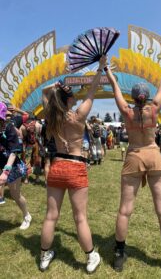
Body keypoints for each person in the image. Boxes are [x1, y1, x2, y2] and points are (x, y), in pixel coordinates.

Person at [104, 44, 161, 273]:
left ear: (133, 97)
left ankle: (119, 254)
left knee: (124, 210)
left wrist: (106, 69)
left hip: (134, 156)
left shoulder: (126, 111)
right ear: (147, 97)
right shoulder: (155, 108)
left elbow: (114, 86)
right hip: (154, 155)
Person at [39, 56, 107, 273]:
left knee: (51, 216)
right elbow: (92, 91)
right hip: (76, 167)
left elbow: (44, 93)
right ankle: (90, 257)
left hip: (57, 166)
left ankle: (43, 256)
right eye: (73, 97)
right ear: (68, 100)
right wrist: (101, 68)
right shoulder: (78, 117)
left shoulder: (52, 117)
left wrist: (56, 86)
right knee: (80, 218)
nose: (76, 99)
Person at [0, 102, 32, 230]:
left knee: (15, 195)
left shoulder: (9, 129)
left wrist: (5, 172)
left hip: (12, 166)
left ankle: (27, 215)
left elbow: (14, 151)